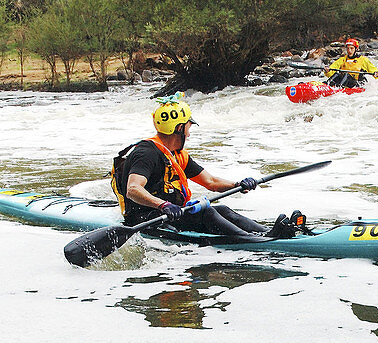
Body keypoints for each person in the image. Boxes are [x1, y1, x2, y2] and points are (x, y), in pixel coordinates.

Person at [111, 93, 298, 238]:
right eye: (188, 128)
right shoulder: (146, 153)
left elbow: (211, 182)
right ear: (178, 129)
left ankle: (270, 231)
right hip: (148, 219)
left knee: (221, 209)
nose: (189, 133)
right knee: (206, 213)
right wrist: (163, 205)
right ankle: (258, 239)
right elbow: (133, 189)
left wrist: (239, 185)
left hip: (171, 213)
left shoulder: (175, 154)